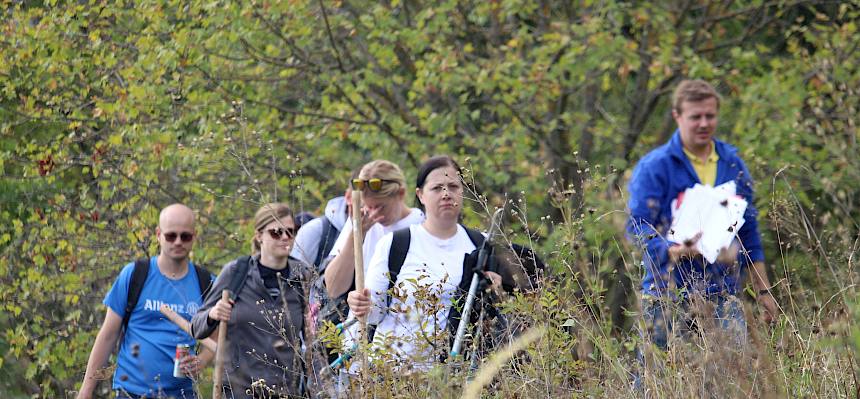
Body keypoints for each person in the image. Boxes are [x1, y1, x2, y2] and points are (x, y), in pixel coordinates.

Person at [626, 79, 779, 351]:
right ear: (678, 116)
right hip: (666, 295)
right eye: (695, 117)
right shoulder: (654, 167)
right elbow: (637, 229)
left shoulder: (733, 164)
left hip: (723, 294)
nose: (704, 123)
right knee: (658, 385)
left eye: (710, 116)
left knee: (732, 383)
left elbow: (749, 232)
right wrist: (674, 250)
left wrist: (763, 290)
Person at [347, 155, 503, 367]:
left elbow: (497, 314)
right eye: (437, 188)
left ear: (463, 191)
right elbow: (374, 312)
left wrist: (498, 293)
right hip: (395, 376)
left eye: (453, 186)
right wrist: (361, 304)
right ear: (420, 195)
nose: (446, 194)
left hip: (456, 376)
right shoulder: (395, 243)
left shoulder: (481, 245)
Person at [78, 204, 213, 399]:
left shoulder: (206, 283)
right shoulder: (135, 275)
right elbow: (108, 335)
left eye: (185, 236)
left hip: (182, 394)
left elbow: (218, 338)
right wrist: (86, 390)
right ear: (158, 235)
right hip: (130, 392)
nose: (177, 242)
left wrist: (202, 360)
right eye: (170, 235)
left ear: (194, 236)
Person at [191, 203, 307, 398]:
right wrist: (213, 314)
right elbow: (196, 326)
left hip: (288, 392)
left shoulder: (302, 277)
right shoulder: (237, 272)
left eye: (291, 231)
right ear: (259, 235)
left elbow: (317, 338)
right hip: (238, 391)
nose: (286, 237)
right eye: (277, 232)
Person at [323, 160, 424, 301]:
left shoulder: (421, 224)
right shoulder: (361, 220)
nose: (374, 214)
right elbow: (333, 289)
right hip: (364, 318)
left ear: (401, 194)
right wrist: (356, 235)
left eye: (381, 207)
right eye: (369, 206)